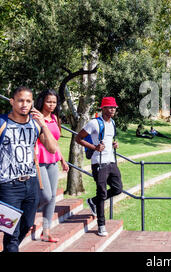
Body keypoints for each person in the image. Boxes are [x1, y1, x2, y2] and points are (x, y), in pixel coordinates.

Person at [0, 86, 58, 252]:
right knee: (11, 234)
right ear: (12, 102)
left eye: (28, 101)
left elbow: (52, 148)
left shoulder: (36, 125)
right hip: (8, 186)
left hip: (31, 183)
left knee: (28, 224)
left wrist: (44, 125)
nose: (25, 104)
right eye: (21, 100)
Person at [75, 97, 122, 237]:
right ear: (103, 108)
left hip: (112, 161)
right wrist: (94, 147)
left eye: (114, 107)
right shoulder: (94, 123)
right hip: (99, 163)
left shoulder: (112, 122)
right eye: (110, 107)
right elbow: (79, 138)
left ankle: (93, 201)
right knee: (102, 193)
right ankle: (101, 225)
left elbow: (108, 139)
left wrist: (114, 144)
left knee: (118, 189)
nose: (113, 109)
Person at [35, 89, 69, 243]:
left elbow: (55, 141)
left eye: (54, 102)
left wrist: (62, 159)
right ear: (42, 101)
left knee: (53, 197)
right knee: (46, 195)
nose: (51, 105)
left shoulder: (55, 118)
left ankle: (46, 231)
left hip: (53, 160)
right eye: (49, 101)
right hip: (38, 160)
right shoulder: (36, 117)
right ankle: (28, 211)